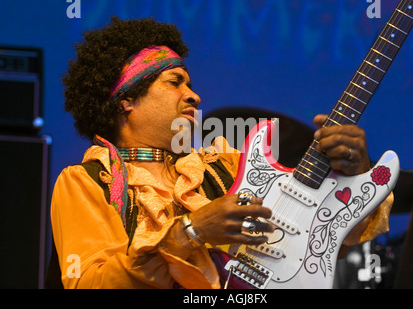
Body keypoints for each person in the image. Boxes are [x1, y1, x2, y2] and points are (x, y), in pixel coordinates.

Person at [49, 17, 393, 289]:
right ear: (126, 98)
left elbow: (317, 237)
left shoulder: (225, 166)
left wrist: (353, 173)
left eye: (191, 84)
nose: (193, 96)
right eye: (175, 81)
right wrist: (191, 232)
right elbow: (89, 283)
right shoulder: (87, 182)